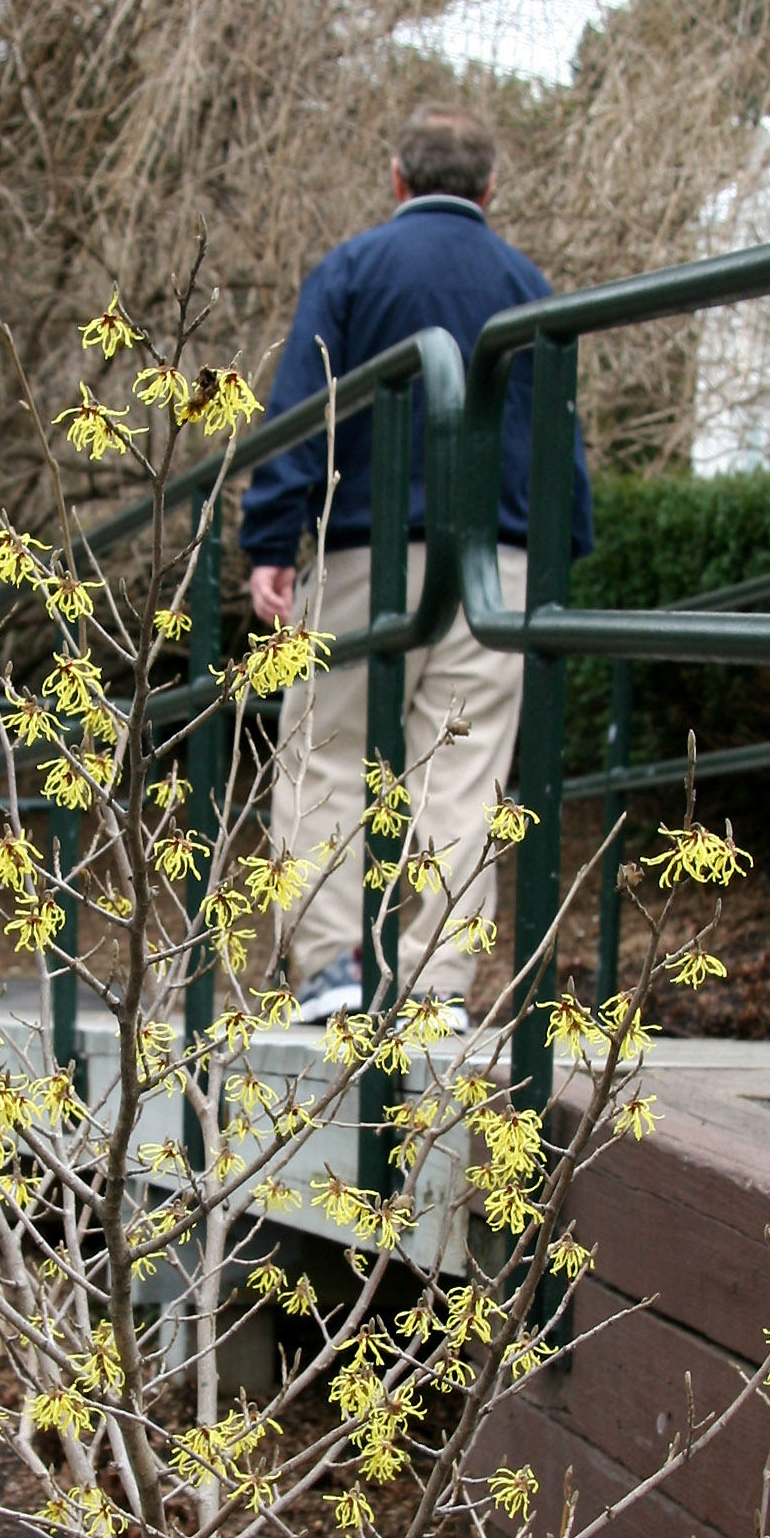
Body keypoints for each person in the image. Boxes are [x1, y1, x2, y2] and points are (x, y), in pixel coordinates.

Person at [240, 100, 592, 1023]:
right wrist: (559, 549)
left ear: (397, 179)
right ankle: (434, 984)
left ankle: (331, 970)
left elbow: (302, 407)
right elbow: (558, 430)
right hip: (497, 562)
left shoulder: (352, 270)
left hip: (369, 549)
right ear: (490, 188)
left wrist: (273, 539)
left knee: (327, 750)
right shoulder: (529, 283)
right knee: (463, 776)